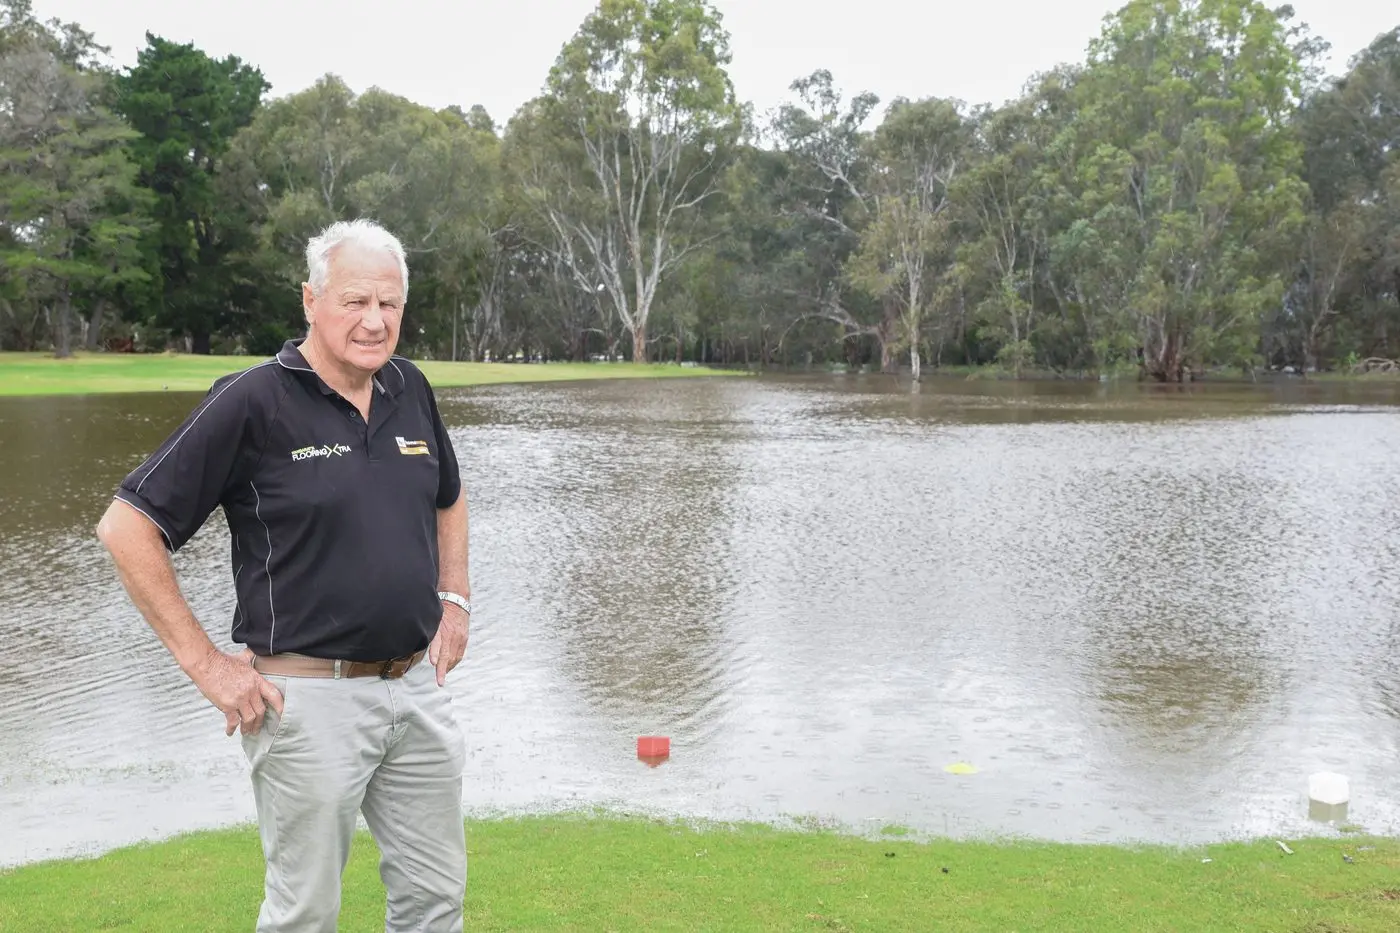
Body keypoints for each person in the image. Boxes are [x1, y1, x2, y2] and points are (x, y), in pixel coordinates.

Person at [96, 218, 472, 933]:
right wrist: (208, 667)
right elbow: (127, 526)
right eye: (355, 301)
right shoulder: (252, 400)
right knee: (304, 913)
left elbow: (448, 496)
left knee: (434, 902)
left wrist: (454, 600)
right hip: (307, 700)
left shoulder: (410, 387)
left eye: (388, 304)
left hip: (418, 691)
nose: (374, 321)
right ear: (310, 300)